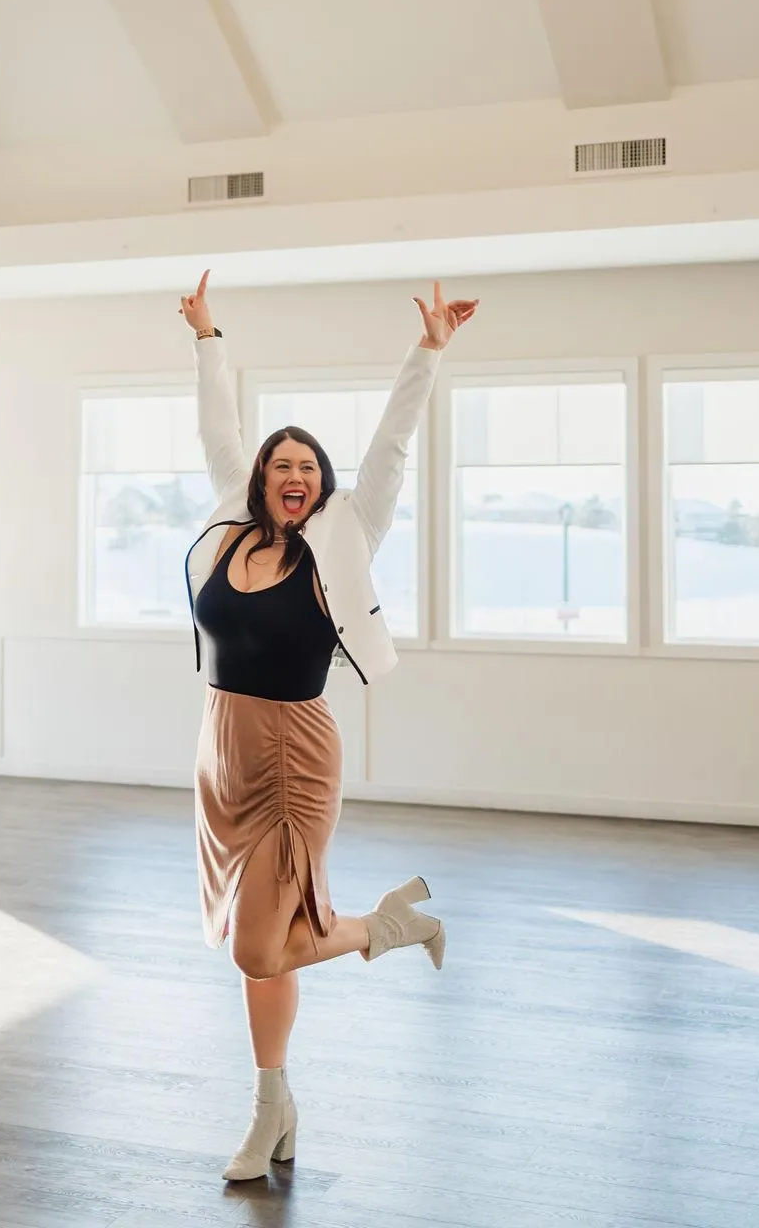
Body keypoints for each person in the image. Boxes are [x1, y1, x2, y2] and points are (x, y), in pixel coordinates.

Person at [180, 270, 478, 1182]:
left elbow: (391, 447)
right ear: (262, 481)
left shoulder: (345, 539)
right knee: (259, 955)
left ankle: (389, 929)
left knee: (258, 944)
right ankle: (273, 1109)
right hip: (221, 751)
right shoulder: (234, 528)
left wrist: (427, 351)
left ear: (322, 486)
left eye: (309, 469)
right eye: (282, 467)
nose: (294, 478)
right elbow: (218, 428)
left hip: (295, 756)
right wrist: (206, 336)